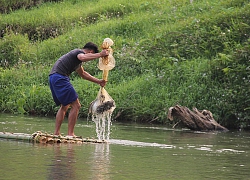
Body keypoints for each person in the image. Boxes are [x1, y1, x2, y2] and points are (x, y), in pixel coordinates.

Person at [49, 42, 109, 137]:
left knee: (65, 106)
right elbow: (83, 57)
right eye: (92, 55)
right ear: (90, 51)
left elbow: (83, 74)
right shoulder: (79, 52)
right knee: (76, 105)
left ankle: (56, 133)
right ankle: (71, 134)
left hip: (53, 78)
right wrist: (100, 55)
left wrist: (99, 81)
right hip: (60, 77)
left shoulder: (76, 61)